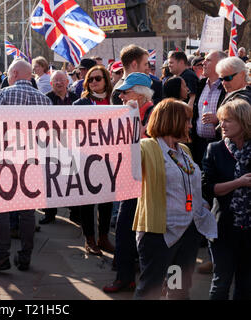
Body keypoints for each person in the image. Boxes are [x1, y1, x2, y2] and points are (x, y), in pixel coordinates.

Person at [132, 98, 217, 299]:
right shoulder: (147, 147)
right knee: (150, 288)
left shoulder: (184, 151)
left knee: (177, 288)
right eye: (186, 120)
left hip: (187, 234)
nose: (190, 125)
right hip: (159, 235)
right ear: (172, 121)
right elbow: (125, 160)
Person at [0, 59, 52, 273]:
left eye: (10, 74)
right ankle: (25, 256)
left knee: (2, 208)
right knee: (28, 211)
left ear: (14, 74)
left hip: (6, 158)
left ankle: (1, 255)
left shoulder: (6, 94)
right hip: (33, 160)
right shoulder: (44, 100)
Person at [103, 72, 155, 293]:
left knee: (134, 231)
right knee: (125, 230)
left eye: (126, 92)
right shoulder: (129, 112)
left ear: (141, 94)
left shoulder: (153, 113)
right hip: (129, 180)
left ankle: (132, 278)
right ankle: (126, 276)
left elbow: (152, 144)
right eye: (121, 92)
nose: (121, 96)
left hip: (147, 184)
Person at [202, 99, 251, 300]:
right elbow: (208, 189)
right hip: (223, 228)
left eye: (228, 120)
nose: (222, 124)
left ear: (244, 122)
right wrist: (238, 182)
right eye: (221, 120)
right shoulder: (215, 149)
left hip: (249, 229)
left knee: (246, 284)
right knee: (221, 282)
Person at [72, 65, 115, 255]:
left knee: (107, 200)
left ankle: (103, 237)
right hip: (86, 159)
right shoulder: (80, 105)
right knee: (87, 201)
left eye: (98, 78)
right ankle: (89, 239)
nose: (94, 82)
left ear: (106, 80)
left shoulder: (115, 103)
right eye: (90, 79)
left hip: (110, 159)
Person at [38, 71, 79, 225]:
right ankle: (50, 213)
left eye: (62, 80)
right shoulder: (45, 99)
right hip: (51, 145)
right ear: (51, 83)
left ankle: (75, 213)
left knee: (72, 179)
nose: (59, 83)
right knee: (51, 180)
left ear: (67, 82)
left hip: (71, 145)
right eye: (55, 80)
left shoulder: (76, 99)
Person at [190, 50, 227, 168]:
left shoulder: (227, 86)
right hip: (199, 145)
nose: (203, 63)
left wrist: (219, 119)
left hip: (220, 145)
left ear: (220, 64)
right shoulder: (200, 85)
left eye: (208, 60)